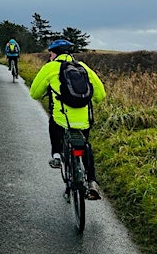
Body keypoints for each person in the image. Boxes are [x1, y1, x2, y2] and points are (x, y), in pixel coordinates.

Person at [29, 39, 106, 200]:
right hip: (84, 119)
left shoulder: (50, 68)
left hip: (62, 119)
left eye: (50, 53)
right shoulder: (83, 68)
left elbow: (34, 94)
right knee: (84, 145)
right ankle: (92, 182)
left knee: (53, 122)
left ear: (54, 53)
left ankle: (56, 155)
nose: (50, 56)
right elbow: (100, 95)